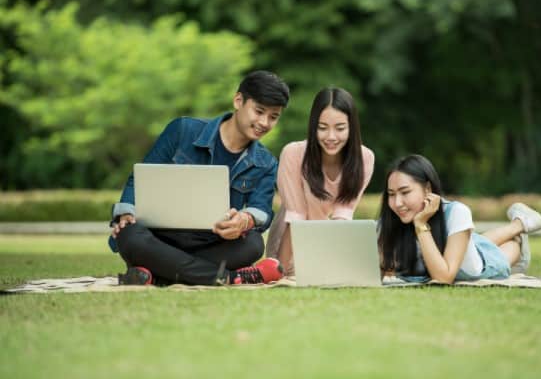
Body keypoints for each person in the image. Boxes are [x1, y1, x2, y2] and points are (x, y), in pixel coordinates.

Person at [109, 70, 290, 286]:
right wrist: (127, 212)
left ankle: (155, 273)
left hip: (213, 242)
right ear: (238, 100)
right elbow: (139, 179)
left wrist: (245, 220)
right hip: (159, 237)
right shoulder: (182, 130)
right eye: (259, 111)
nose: (264, 122)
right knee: (129, 235)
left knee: (253, 244)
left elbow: (261, 210)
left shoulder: (266, 162)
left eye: (273, 117)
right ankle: (230, 278)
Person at [377, 154, 541, 284]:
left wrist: (421, 224)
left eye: (405, 192)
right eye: (391, 194)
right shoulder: (392, 219)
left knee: (505, 248)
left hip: (483, 264)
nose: (397, 203)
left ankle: (519, 228)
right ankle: (520, 222)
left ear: (428, 188)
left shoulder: (457, 212)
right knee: (475, 241)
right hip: (467, 244)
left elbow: (443, 278)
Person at [266, 87, 375, 275]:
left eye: (340, 128)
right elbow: (295, 217)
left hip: (332, 237)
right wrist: (281, 273)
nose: (331, 137)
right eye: (322, 128)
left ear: (352, 127)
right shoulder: (293, 154)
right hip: (290, 239)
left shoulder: (364, 158)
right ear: (313, 126)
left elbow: (343, 214)